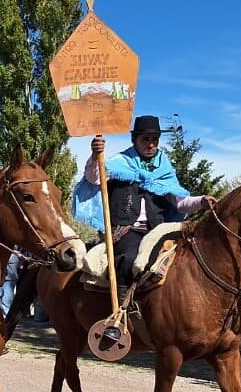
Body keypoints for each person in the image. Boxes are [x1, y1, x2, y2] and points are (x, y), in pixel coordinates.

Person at [74, 115, 215, 307]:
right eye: (146, 139)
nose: (151, 144)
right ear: (134, 140)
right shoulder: (119, 163)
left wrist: (202, 201)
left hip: (158, 229)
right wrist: (94, 155)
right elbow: (94, 178)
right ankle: (121, 309)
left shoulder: (164, 170)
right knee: (130, 258)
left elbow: (181, 203)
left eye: (154, 140)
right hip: (126, 229)